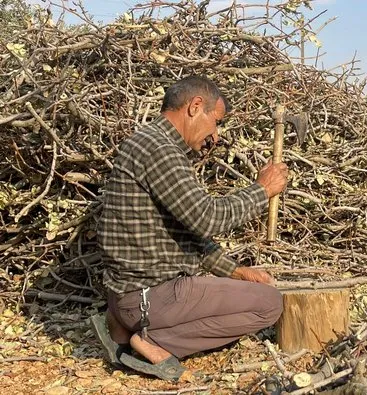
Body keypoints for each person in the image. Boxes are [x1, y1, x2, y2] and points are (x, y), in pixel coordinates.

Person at [89, 75, 289, 381]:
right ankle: (147, 343)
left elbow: (185, 232)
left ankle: (121, 326)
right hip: (148, 298)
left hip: (127, 298)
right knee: (270, 304)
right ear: (196, 107)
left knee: (252, 292)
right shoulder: (159, 150)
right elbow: (208, 218)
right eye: (216, 121)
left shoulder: (149, 142)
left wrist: (234, 271)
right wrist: (262, 190)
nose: (216, 135)